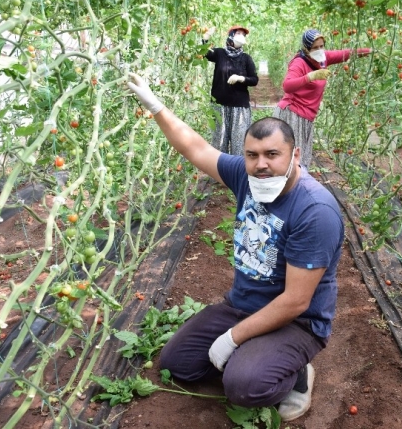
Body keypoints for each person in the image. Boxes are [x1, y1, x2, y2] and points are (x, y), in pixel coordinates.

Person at [127, 73, 344, 422]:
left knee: (244, 387)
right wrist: (157, 108)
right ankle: (254, 357)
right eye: (252, 155)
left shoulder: (315, 211)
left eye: (273, 154)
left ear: (295, 155)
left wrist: (231, 338)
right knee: (177, 363)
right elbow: (196, 147)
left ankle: (297, 374)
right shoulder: (247, 176)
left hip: (296, 322)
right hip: (242, 305)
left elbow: (296, 300)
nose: (261, 165)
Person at [274, 29, 371, 169]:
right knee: (291, 161)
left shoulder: (323, 59)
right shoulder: (299, 63)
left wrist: (370, 51)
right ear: (307, 48)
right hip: (293, 114)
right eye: (315, 47)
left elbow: (346, 54)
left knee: (301, 160)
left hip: (306, 117)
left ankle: (294, 187)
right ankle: (287, 189)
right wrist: (310, 77)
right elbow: (287, 86)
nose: (319, 50)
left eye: (321, 46)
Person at [203, 25, 259, 155]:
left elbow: (254, 80)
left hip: (239, 108)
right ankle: (218, 174)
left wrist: (241, 78)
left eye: (243, 35)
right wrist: (205, 38)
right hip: (219, 106)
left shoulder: (246, 58)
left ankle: (236, 174)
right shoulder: (220, 54)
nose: (241, 36)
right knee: (219, 143)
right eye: (238, 33)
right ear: (231, 35)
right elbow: (205, 53)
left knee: (238, 145)